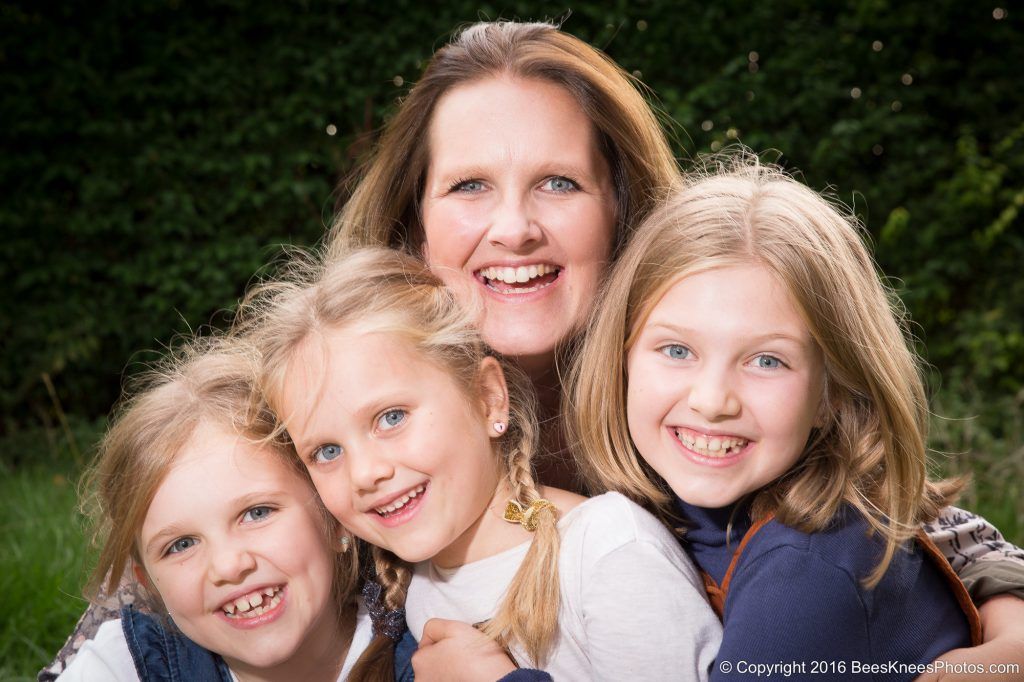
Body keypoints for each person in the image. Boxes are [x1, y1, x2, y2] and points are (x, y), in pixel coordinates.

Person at [45, 18, 1024, 680]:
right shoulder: (339, 404)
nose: (512, 227)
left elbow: (893, 511)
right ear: (412, 226)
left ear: (625, 212)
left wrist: (1008, 611)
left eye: (556, 182)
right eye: (469, 186)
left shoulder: (681, 407)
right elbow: (177, 546)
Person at [566, 156, 1001, 675]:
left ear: (832, 393)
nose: (712, 399)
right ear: (622, 358)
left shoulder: (808, 568)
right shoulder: (678, 513)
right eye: (677, 350)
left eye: (766, 360)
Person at [240, 246, 722, 680]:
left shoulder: (609, 553)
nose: (366, 473)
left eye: (391, 417)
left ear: (488, 398)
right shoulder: (420, 587)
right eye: (327, 452)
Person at [57, 341, 372, 681]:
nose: (228, 566)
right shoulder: (126, 664)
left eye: (257, 513)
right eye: (181, 545)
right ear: (149, 584)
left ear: (334, 518)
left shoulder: (426, 627)